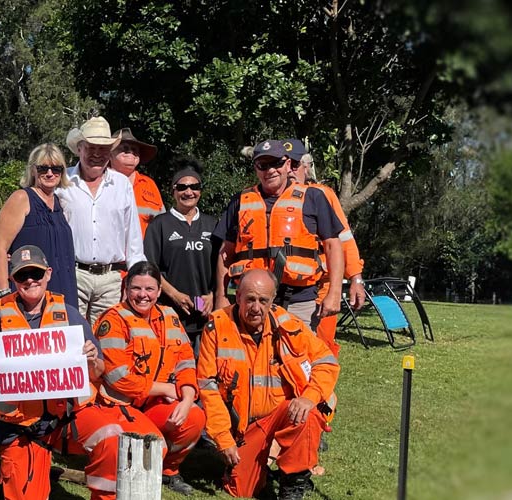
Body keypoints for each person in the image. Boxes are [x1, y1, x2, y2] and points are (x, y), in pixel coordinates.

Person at [0, 246, 159, 500]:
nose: (30, 280)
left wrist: (91, 360)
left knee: (112, 437)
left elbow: (99, 369)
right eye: (23, 276)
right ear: (13, 280)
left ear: (48, 274)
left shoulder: (70, 315)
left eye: (36, 273)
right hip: (21, 427)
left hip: (67, 418)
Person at [196, 270, 340, 500]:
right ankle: (254, 467)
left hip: (281, 417)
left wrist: (309, 397)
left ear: (272, 301)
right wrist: (223, 439)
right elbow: (208, 389)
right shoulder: (217, 327)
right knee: (242, 491)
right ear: (238, 296)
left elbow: (326, 361)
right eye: (250, 299)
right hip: (243, 429)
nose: (256, 307)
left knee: (308, 412)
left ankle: (292, 485)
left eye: (263, 300)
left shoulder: (288, 325)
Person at [91, 261, 206, 494]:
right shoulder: (113, 320)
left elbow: (186, 361)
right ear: (126, 288)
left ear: (159, 291)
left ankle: (169, 471)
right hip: (119, 405)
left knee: (194, 418)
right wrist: (164, 389)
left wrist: (186, 398)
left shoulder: (169, 317)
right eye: (136, 288)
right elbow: (118, 378)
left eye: (149, 289)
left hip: (152, 404)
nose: (142, 295)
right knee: (153, 448)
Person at [213, 139, 347, 335]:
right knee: (253, 359)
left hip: (299, 300)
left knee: (299, 359)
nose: (270, 170)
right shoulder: (240, 201)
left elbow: (333, 246)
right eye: (263, 165)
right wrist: (221, 295)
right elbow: (226, 252)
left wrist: (335, 293)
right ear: (256, 168)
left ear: (287, 164)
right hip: (253, 303)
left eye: (276, 163)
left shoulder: (313, 197)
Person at [59, 116, 146, 320]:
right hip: (73, 275)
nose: (97, 154)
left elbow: (133, 239)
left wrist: (135, 280)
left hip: (111, 280)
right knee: (74, 338)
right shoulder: (62, 183)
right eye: (91, 148)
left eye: (103, 148)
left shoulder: (122, 184)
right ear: (79, 148)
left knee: (107, 342)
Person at [292, 152, 367, 356]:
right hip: (286, 290)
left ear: (305, 168)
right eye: (285, 164)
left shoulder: (322, 195)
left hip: (321, 289)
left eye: (295, 165)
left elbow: (344, 240)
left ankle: (323, 388)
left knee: (321, 351)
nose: (289, 170)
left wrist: (356, 279)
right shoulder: (270, 199)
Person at [0, 143, 81, 314]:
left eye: (56, 168)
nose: (50, 173)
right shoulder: (21, 198)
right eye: (43, 168)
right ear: (33, 170)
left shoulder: (60, 203)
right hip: (29, 293)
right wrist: (3, 294)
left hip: (63, 290)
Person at [143, 168, 220, 344]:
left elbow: (221, 265)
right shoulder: (159, 225)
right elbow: (151, 268)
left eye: (194, 186)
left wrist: (212, 295)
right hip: (170, 312)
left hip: (204, 312)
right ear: (173, 191)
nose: (188, 192)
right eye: (182, 187)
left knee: (203, 368)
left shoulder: (212, 224)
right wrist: (174, 294)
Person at [109, 128, 164, 232]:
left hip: (146, 247)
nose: (130, 152)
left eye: (135, 150)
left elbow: (162, 223)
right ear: (109, 154)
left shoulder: (149, 184)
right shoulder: (101, 182)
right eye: (124, 148)